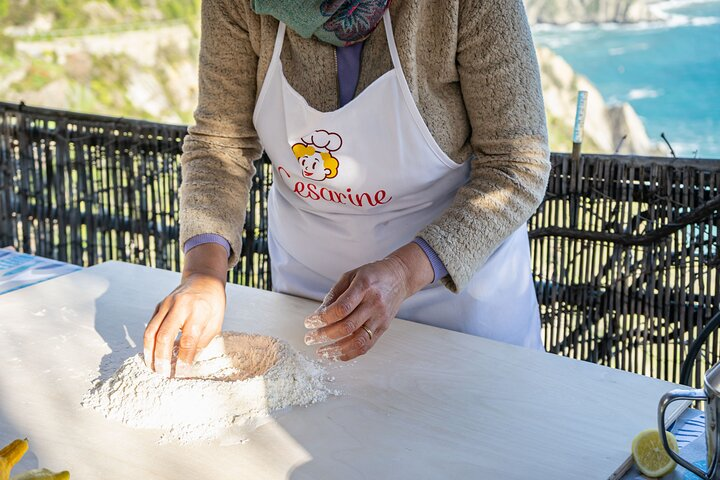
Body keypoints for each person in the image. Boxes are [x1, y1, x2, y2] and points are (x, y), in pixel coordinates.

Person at [143, 0, 552, 377]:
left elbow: (516, 166)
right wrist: (203, 274)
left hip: (458, 302)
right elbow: (221, 143)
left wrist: (404, 271)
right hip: (312, 302)